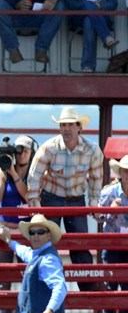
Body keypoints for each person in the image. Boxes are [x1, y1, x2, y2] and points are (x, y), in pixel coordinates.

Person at [27, 106, 103, 292]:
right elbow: (34, 176)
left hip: (76, 200)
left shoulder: (92, 150)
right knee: (45, 244)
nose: (66, 129)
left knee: (80, 246)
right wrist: (36, 205)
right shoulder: (50, 148)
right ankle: (44, 289)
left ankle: (88, 294)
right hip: (51, 198)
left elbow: (96, 177)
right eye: (63, 125)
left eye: (70, 125)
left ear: (79, 127)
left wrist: (93, 203)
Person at [0, 135, 35, 289]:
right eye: (18, 150)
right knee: (3, 278)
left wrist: (15, 174)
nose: (21, 154)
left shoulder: (35, 173)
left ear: (32, 153)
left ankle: (28, 312)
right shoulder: (4, 172)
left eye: (25, 151)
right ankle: (3, 312)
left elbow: (29, 197)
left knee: (29, 277)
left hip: (27, 231)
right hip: (6, 230)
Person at [0, 0, 63, 64]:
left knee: (59, 6)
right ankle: (13, 50)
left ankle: (41, 49)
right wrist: (16, 3)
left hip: (39, 16)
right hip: (14, 17)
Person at [63, 0, 118, 73]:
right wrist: (88, 5)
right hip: (79, 18)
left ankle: (88, 66)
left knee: (89, 21)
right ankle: (106, 37)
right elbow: (69, 3)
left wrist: (101, 5)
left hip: (103, 18)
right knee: (88, 6)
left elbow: (113, 3)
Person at [98, 155, 128, 311]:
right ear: (121, 173)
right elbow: (97, 216)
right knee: (110, 285)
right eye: (126, 171)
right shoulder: (109, 193)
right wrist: (110, 211)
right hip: (112, 245)